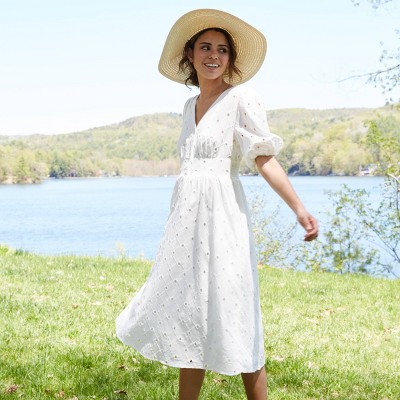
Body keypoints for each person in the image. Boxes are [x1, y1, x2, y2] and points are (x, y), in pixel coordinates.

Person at [116, 8, 318, 400]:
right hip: (185, 224)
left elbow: (264, 158)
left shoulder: (241, 99)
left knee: (235, 313)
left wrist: (298, 207)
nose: (214, 55)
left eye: (222, 49)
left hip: (223, 219)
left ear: (230, 58)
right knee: (189, 314)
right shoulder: (187, 107)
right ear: (190, 54)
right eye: (205, 47)